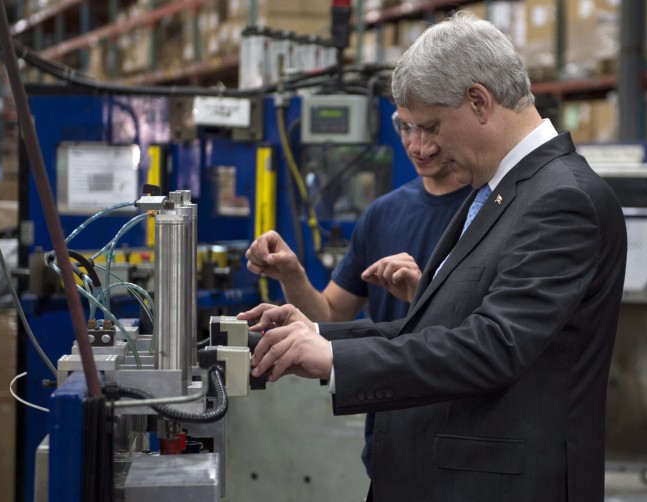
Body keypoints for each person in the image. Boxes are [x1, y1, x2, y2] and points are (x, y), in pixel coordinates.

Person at [239, 11, 627, 502]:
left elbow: (493, 345)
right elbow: (439, 329)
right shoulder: (498, 192)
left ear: (479, 101)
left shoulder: (561, 199)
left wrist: (336, 358)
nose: (424, 147)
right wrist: (315, 334)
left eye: (432, 126)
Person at [245, 107, 470, 476]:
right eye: (404, 128)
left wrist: (422, 295)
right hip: (386, 439)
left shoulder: (484, 213)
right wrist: (292, 274)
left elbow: (487, 336)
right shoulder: (383, 213)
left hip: (457, 438)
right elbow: (330, 317)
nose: (417, 145)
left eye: (428, 129)